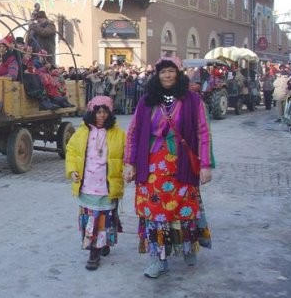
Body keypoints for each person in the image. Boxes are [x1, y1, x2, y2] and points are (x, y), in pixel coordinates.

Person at [124, 56, 214, 279]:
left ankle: (187, 247)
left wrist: (205, 165)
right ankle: (158, 259)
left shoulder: (193, 100)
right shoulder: (146, 101)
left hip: (182, 164)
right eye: (163, 71)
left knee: (184, 209)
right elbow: (133, 133)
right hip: (152, 165)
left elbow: (203, 133)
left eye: (171, 71)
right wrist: (129, 162)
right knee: (155, 213)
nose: (167, 75)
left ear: (178, 73)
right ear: (157, 75)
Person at [65, 96, 126, 271]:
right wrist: (73, 170)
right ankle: (94, 250)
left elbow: (127, 155)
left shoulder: (119, 134)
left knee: (105, 219)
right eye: (98, 112)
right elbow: (71, 151)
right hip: (87, 185)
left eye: (105, 112)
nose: (101, 116)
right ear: (92, 113)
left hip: (107, 186)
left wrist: (129, 170)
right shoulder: (82, 132)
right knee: (92, 219)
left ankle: (101, 245)